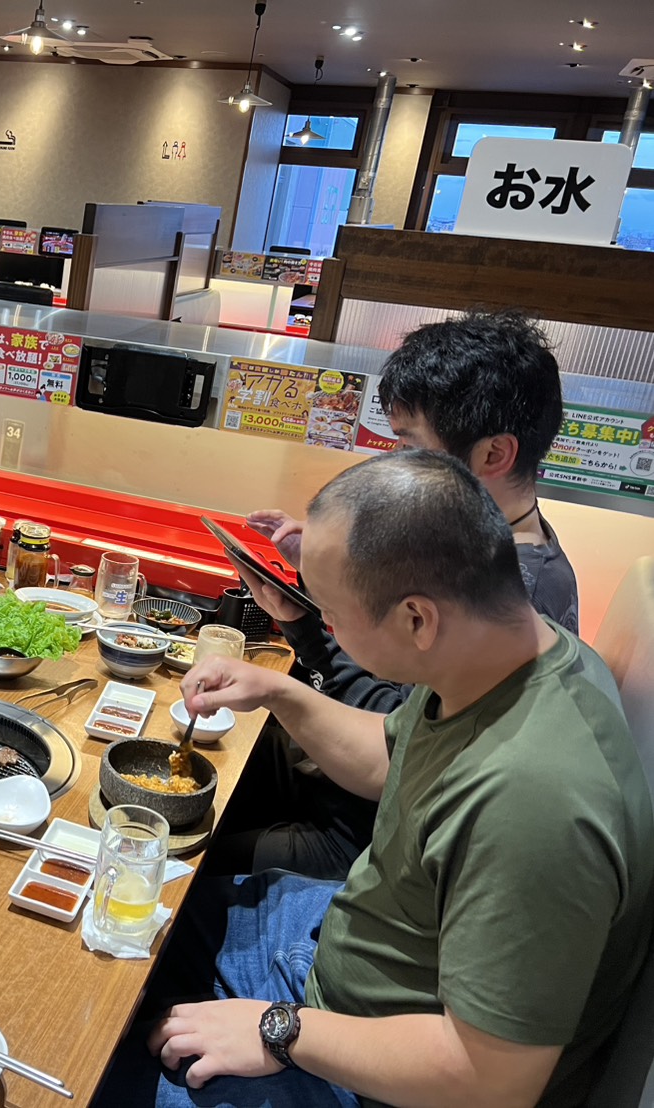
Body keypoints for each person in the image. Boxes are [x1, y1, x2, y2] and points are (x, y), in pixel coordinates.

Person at [141, 450, 653, 1108]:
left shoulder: (536, 801)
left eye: (331, 613)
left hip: (387, 1068)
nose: (324, 626)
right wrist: (276, 691)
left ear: (416, 618)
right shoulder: (507, 652)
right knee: (136, 921)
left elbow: (492, 1081)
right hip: (347, 951)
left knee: (104, 1056)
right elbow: (389, 758)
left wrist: (280, 1030)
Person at [219, 309, 579, 877]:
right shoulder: (469, 547)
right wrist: (315, 603)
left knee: (194, 862)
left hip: (370, 840)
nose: (394, 464)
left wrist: (287, 671)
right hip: (341, 789)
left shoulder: (510, 596)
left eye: (410, 445)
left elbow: (395, 753)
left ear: (494, 455)